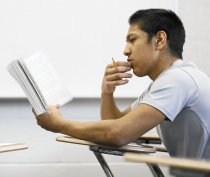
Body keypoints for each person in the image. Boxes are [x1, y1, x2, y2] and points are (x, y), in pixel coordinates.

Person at [33, 9, 210, 162]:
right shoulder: (168, 80)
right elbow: (116, 124)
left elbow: (117, 134)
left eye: (132, 40)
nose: (125, 50)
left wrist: (58, 124)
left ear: (159, 40)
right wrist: (107, 92)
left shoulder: (177, 80)